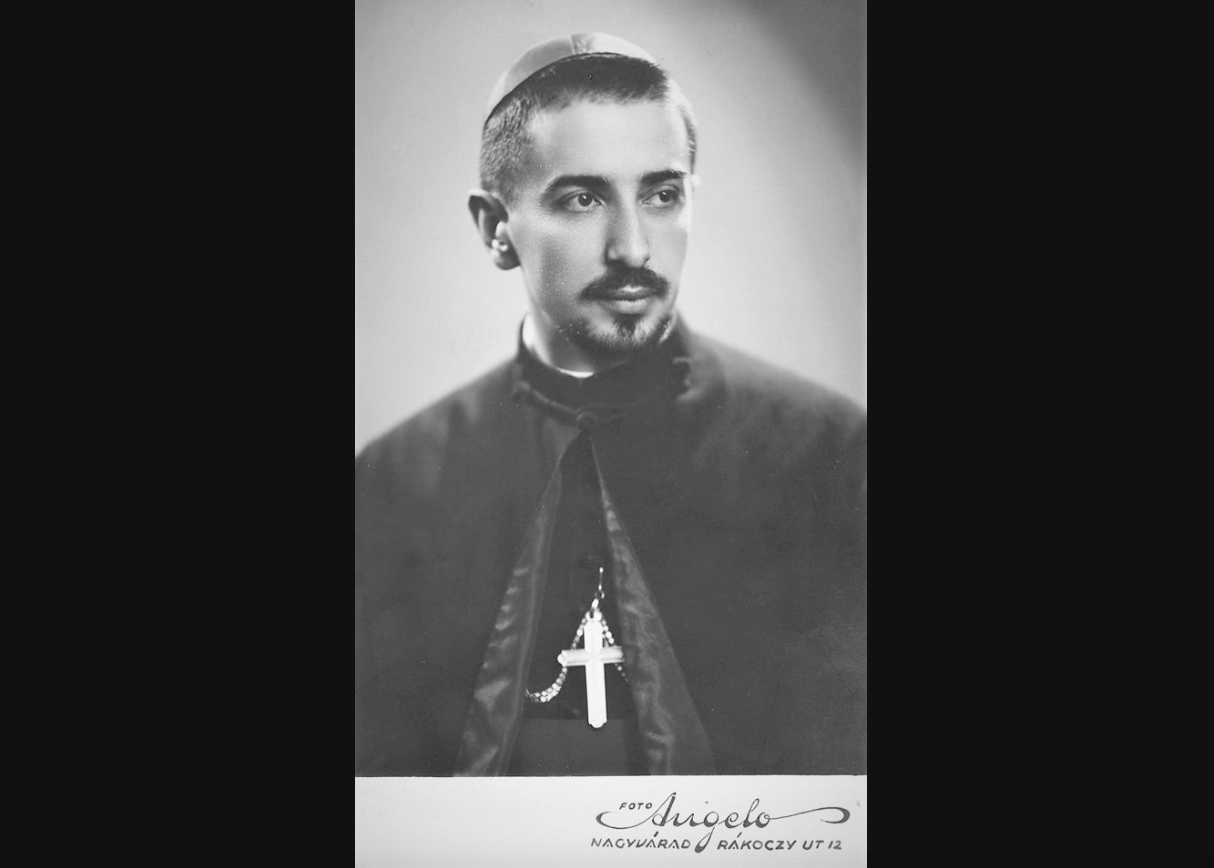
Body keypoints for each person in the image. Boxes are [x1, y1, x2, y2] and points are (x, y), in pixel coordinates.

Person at [355, 33, 866, 776]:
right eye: (582, 198)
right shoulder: (391, 486)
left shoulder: (831, 457)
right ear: (496, 229)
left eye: (662, 195)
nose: (633, 247)